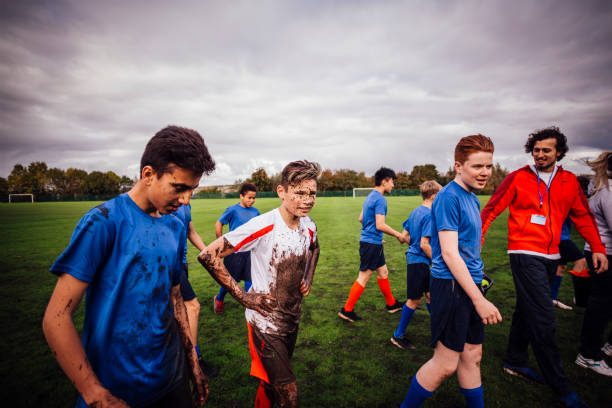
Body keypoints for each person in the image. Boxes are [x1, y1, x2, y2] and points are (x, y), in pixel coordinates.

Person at [42, 126, 217, 407]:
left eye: (192, 190)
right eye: (179, 188)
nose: (186, 200)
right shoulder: (103, 222)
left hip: (172, 380)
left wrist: (191, 364)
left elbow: (175, 300)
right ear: (148, 175)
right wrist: (93, 393)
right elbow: (56, 317)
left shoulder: (175, 223)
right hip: (116, 388)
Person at [481, 126, 608, 408]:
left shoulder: (569, 181)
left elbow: (583, 216)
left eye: (546, 150)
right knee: (544, 319)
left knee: (527, 310)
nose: (539, 154)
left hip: (552, 254)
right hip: (524, 252)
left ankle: (514, 360)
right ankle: (562, 387)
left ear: (558, 152)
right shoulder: (517, 178)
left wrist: (597, 248)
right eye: (536, 150)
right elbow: (491, 210)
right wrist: (475, 244)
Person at [198, 160, 321, 408]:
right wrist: (244, 297)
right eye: (299, 193)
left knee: (269, 383)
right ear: (282, 192)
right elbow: (208, 255)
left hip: (291, 318)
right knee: (289, 395)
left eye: (312, 193)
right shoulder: (264, 225)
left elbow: (315, 248)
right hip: (265, 324)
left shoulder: (308, 225)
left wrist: (308, 276)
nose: (307, 200)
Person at [400, 134, 502, 408]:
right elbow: (448, 252)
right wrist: (479, 299)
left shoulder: (471, 197)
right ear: (458, 166)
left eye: (488, 166)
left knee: (472, 355)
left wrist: (478, 285)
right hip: (451, 287)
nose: (484, 173)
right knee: (445, 364)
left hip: (469, 283)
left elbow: (468, 250)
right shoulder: (448, 197)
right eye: (477, 166)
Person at [338, 167, 404, 323]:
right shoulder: (380, 199)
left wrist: (374, 236)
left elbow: (361, 218)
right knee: (364, 277)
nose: (393, 185)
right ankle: (347, 310)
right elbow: (380, 225)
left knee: (383, 272)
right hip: (371, 244)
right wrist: (398, 235)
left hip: (372, 242)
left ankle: (391, 304)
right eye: (392, 182)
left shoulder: (370, 197)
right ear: (384, 181)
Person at [390, 180, 442, 350]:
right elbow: (424, 245)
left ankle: (438, 331)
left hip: (419, 261)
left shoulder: (415, 212)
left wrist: (412, 247)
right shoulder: (429, 215)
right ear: (434, 196)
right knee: (414, 299)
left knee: (430, 295)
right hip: (419, 262)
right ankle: (398, 336)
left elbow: (403, 235)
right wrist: (439, 260)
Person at [575, 151, 612, 377]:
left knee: (605, 302)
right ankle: (589, 354)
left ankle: (602, 346)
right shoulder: (607, 191)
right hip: (604, 253)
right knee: (601, 303)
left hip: (602, 251)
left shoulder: (604, 188)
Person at [174, 203, 219, 377]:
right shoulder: (165, 201)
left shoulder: (186, 204)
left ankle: (180, 357)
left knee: (178, 311)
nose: (190, 194)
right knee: (192, 307)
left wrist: (208, 252)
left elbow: (190, 231)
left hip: (182, 262)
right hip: (171, 263)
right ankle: (195, 361)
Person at [213, 182, 260, 314]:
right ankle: (219, 299)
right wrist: (221, 242)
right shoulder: (232, 210)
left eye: (253, 198)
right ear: (241, 196)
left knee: (250, 280)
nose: (252, 200)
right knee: (230, 281)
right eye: (249, 197)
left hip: (250, 251)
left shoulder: (256, 212)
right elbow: (219, 224)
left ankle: (249, 308)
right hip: (233, 251)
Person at [552, 218, 588, 310]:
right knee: (582, 261)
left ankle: (552, 298)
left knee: (560, 267)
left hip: (559, 235)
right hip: (560, 237)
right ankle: (579, 296)